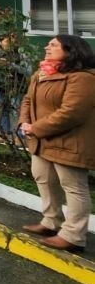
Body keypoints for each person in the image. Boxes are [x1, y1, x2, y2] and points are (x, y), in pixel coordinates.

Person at [18, 35, 95, 252]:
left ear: (71, 51)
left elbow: (72, 113)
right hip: (42, 141)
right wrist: (24, 121)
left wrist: (37, 128)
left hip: (69, 141)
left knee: (73, 186)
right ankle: (51, 221)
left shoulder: (82, 78)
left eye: (53, 45)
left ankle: (74, 235)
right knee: (44, 179)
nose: (47, 47)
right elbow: (27, 99)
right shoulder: (42, 72)